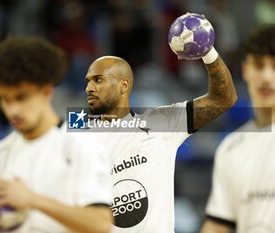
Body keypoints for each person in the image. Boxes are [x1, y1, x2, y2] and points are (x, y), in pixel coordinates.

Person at [82, 24, 238, 232]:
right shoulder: (78, 141)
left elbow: (223, 99)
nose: (89, 88)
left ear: (124, 86)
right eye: (88, 82)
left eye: (98, 80)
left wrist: (208, 51)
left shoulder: (161, 123)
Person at [0, 37, 113, 233]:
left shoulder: (81, 145)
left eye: (22, 97)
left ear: (46, 91)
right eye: (5, 99)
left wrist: (33, 200)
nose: (13, 110)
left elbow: (101, 223)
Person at [200, 24, 275, 233]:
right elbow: (217, 224)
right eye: (259, 65)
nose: (267, 77)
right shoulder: (231, 148)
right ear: (245, 71)